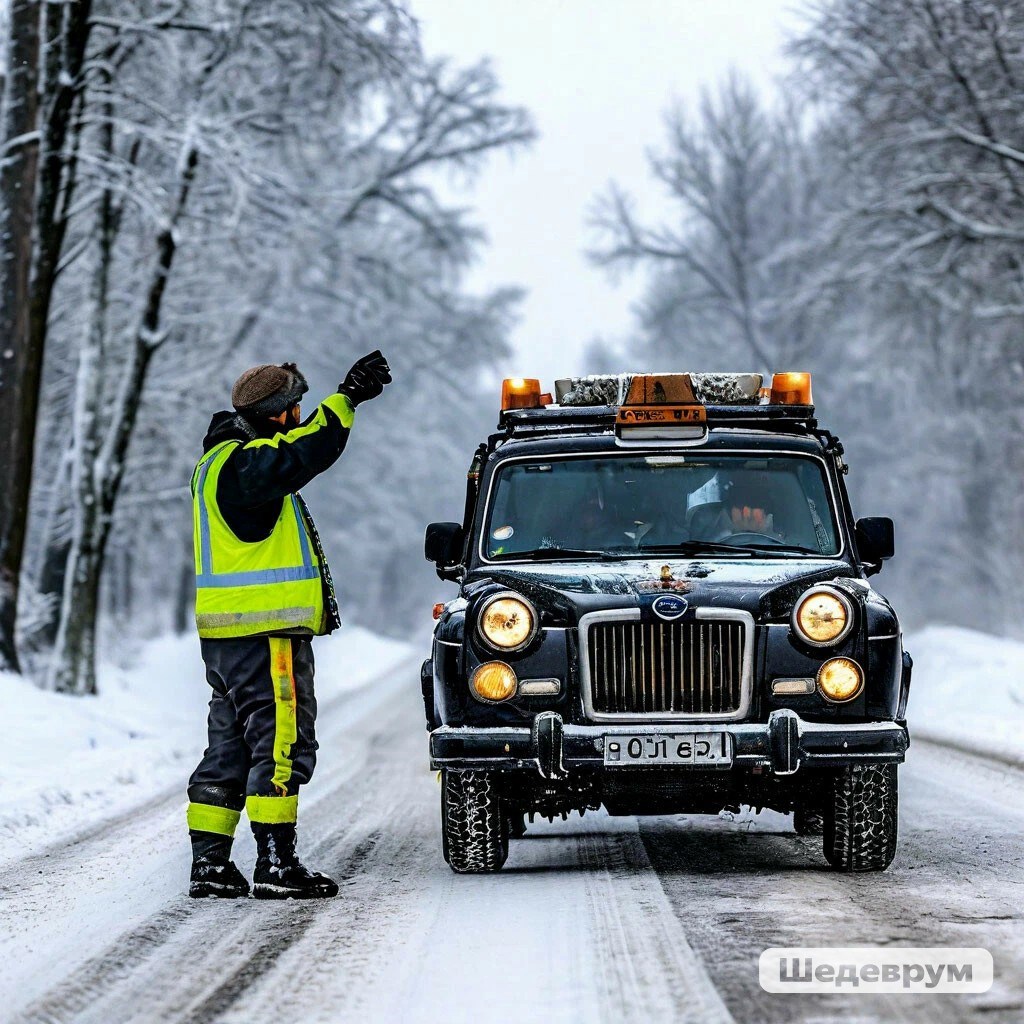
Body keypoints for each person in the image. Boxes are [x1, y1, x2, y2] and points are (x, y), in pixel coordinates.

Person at [186, 351, 391, 900]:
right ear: (277, 414)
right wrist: (345, 399)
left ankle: (210, 866)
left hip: (226, 637)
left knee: (228, 747)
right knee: (281, 744)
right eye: (295, 407)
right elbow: (305, 452)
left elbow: (291, 455)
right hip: (265, 634)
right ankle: (276, 865)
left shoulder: (215, 466)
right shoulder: (244, 466)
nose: (300, 415)